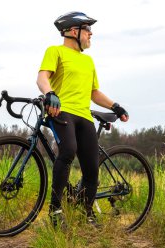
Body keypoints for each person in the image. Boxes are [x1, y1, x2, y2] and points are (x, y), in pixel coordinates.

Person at [36, 11, 129, 229]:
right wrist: (50, 94)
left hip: (84, 115)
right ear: (73, 31)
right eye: (88, 30)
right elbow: (42, 78)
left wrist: (115, 106)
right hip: (62, 111)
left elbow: (94, 93)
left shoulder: (88, 61)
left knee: (92, 168)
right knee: (67, 151)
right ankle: (55, 211)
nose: (91, 34)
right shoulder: (55, 51)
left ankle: (87, 214)